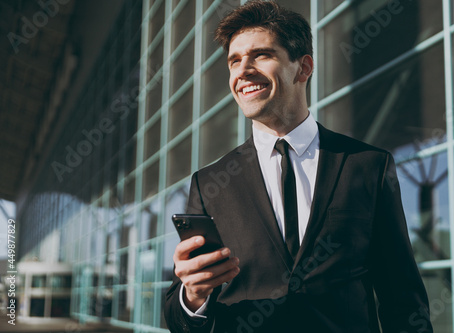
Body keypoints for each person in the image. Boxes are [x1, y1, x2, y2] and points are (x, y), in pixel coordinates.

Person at [164, 1, 433, 332]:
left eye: (261, 55)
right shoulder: (209, 184)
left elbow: (402, 297)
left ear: (303, 68)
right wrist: (192, 296)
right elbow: (181, 320)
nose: (243, 69)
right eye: (235, 60)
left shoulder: (368, 166)